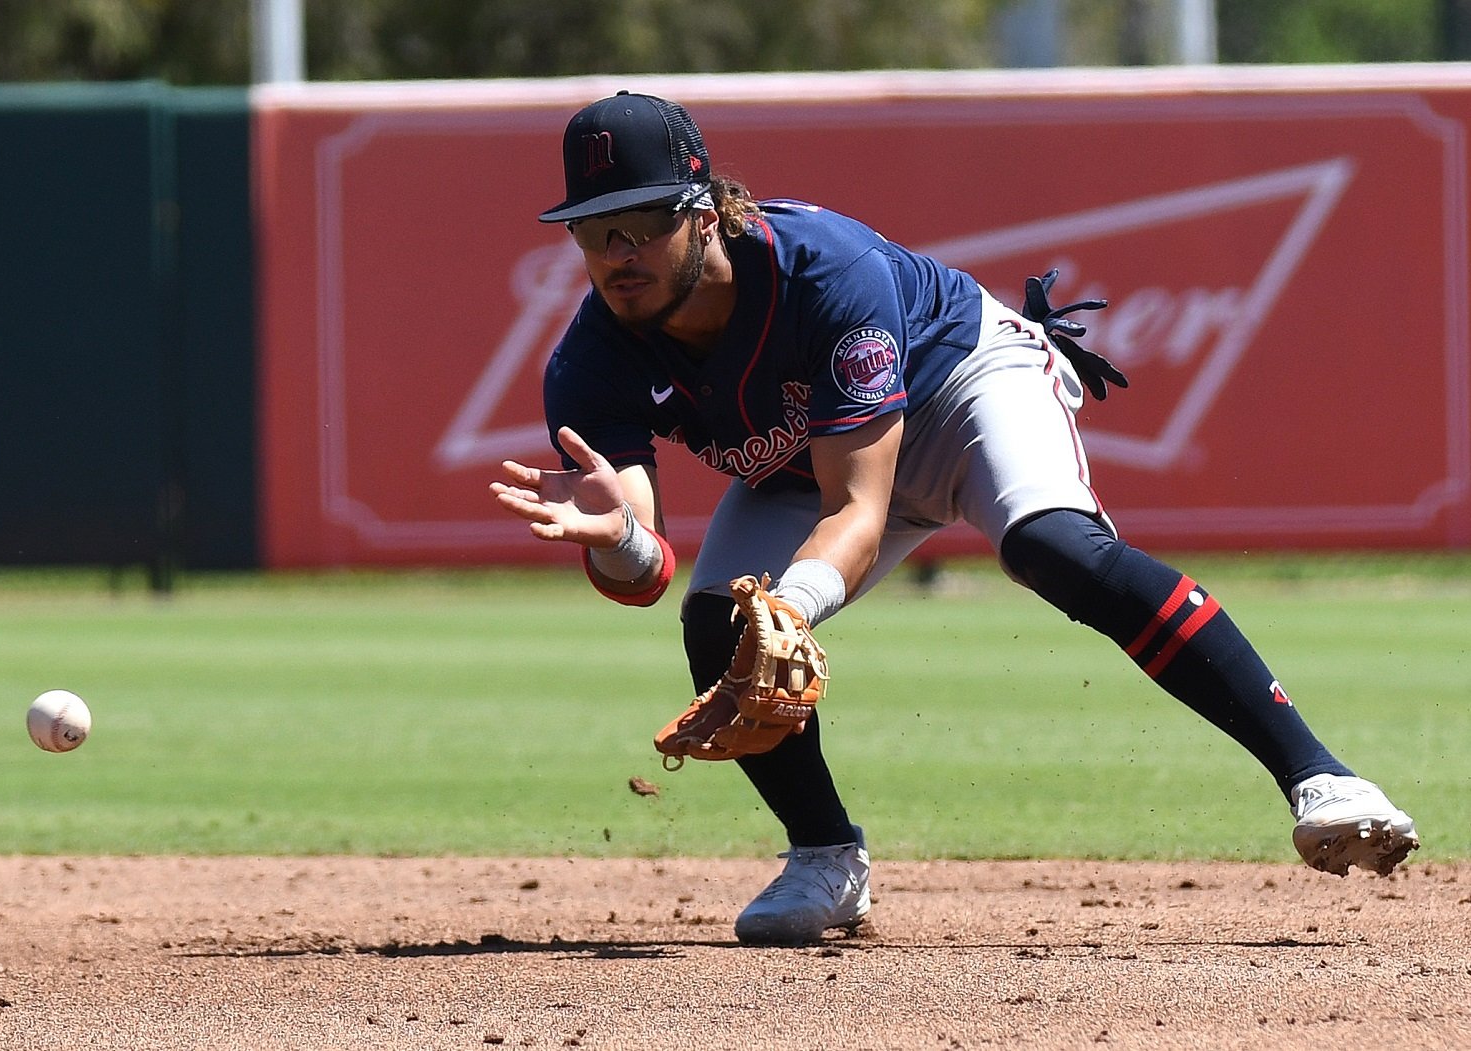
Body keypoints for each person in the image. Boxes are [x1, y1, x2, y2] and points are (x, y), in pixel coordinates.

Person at [489, 91, 1420, 946]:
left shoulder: (821, 270)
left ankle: (1321, 776)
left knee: (1054, 546)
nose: (617, 254)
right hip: (806, 450)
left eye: (641, 224)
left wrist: (796, 606)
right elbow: (644, 568)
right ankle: (824, 857)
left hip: (960, 388)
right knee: (716, 626)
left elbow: (862, 503)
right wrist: (615, 537)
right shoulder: (592, 356)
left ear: (701, 212)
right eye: (593, 230)